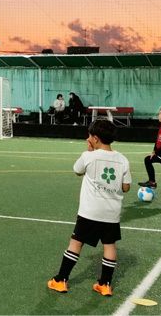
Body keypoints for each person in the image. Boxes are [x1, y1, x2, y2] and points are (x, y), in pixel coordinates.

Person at [47, 119, 130, 298]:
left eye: (89, 136)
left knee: (76, 243)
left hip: (90, 212)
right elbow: (126, 187)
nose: (88, 139)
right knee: (109, 245)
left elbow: (77, 170)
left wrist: (89, 152)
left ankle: (61, 280)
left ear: (95, 138)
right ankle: (105, 284)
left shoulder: (89, 156)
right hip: (111, 213)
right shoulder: (122, 159)